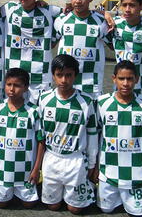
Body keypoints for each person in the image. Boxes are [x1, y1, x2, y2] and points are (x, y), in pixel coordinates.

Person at [96, 60, 142, 216]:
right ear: (114, 79)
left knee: (140, 213)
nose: (125, 83)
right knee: (106, 210)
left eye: (130, 79)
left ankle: (129, 197)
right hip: (108, 171)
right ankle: (117, 196)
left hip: (136, 173)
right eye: (121, 79)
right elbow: (95, 136)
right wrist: (95, 165)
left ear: (136, 79)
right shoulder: (101, 103)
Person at [38, 54, 98, 214]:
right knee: (53, 206)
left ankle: (85, 186)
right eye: (59, 75)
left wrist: (92, 164)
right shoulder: (44, 99)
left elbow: (92, 135)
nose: (64, 80)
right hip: (52, 158)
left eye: (68, 75)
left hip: (75, 160)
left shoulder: (87, 101)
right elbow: (40, 136)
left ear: (75, 76)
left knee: (75, 209)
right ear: (53, 75)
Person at [0, 0, 63, 104]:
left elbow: (75, 13)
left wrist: (104, 13)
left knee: (38, 117)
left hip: (40, 77)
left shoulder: (49, 11)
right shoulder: (9, 9)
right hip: (14, 76)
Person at [0, 68, 45, 208]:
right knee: (0, 204)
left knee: (29, 205)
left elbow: (41, 142)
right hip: (2, 171)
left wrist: (36, 169)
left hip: (25, 171)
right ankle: (8, 191)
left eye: (17, 85)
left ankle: (19, 192)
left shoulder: (33, 111)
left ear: (25, 87)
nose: (12, 89)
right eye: (8, 84)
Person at [54, 0, 111, 98]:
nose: (78, 1)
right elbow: (49, 44)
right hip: (67, 84)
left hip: (92, 86)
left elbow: (114, 47)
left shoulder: (102, 22)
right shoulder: (61, 20)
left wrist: (105, 13)